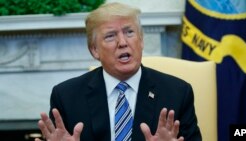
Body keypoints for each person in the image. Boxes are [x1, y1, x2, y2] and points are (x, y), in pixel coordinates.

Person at [36, 2, 202, 141]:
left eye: (129, 32)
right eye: (110, 36)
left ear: (141, 40)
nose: (122, 42)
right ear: (94, 50)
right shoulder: (66, 97)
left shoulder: (177, 93)